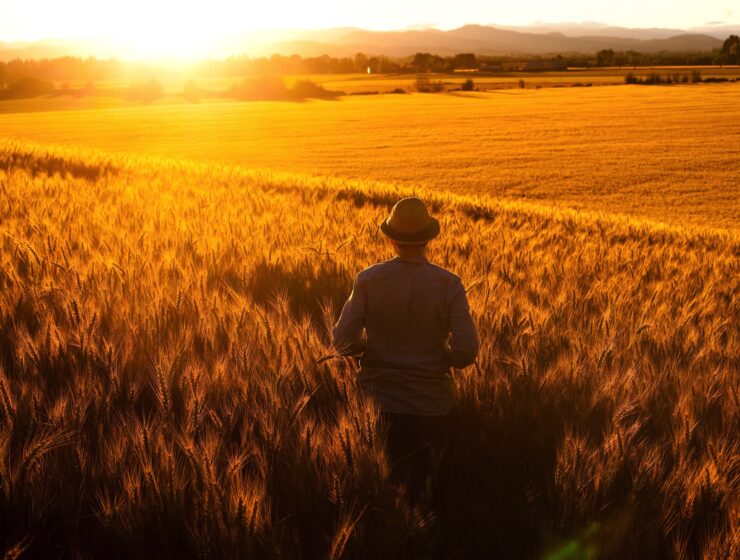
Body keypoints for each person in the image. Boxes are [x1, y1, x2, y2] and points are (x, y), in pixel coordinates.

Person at [331, 197, 479, 502]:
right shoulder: (449, 284)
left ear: (390, 239)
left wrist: (367, 349)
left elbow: (341, 341)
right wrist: (438, 359)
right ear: (428, 239)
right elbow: (466, 352)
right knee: (432, 494)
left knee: (380, 494)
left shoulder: (368, 280)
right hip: (433, 408)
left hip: (378, 407)